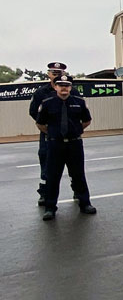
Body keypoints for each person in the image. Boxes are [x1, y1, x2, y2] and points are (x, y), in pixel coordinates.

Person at [36, 75, 96, 220]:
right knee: (52, 176)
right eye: (60, 85)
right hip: (55, 144)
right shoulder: (47, 103)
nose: (64, 88)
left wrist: (75, 130)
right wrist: (52, 133)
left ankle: (85, 203)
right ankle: (50, 208)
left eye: (67, 85)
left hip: (74, 144)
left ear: (70, 87)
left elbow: (87, 120)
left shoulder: (79, 102)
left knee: (78, 175)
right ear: (55, 87)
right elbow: (40, 123)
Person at [28, 61, 76, 206]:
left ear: (64, 74)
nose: (55, 75)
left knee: (74, 166)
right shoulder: (41, 92)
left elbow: (81, 112)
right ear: (48, 74)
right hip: (49, 135)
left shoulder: (72, 91)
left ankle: (78, 192)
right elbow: (33, 112)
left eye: (59, 73)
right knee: (46, 164)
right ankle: (44, 193)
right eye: (53, 73)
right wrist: (48, 128)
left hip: (70, 136)